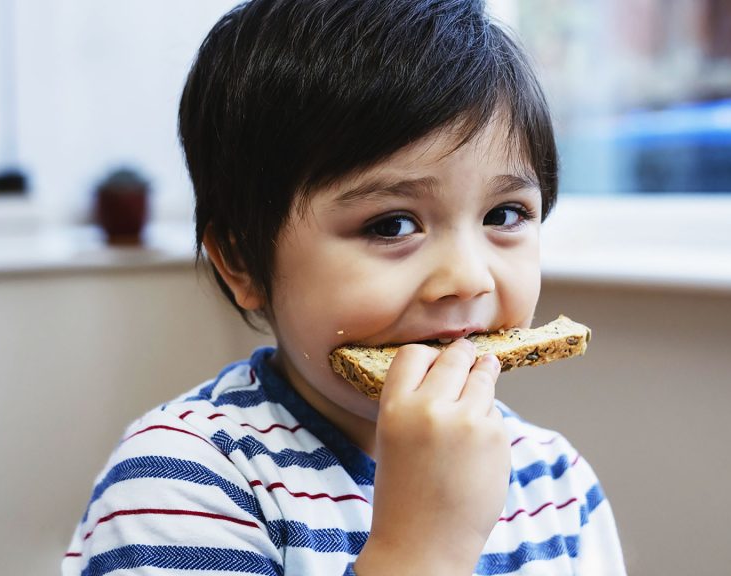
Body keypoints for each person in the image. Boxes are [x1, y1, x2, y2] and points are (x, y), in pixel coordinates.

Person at [63, 0, 626, 574]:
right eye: (392, 225)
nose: (468, 278)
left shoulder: (559, 482)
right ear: (241, 263)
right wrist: (420, 550)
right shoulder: (181, 479)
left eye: (504, 215)